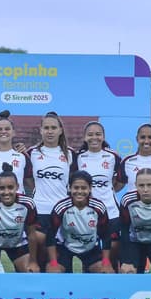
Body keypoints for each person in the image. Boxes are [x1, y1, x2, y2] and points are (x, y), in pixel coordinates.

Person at [26, 111, 77, 271]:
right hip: (39, 211)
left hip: (62, 212)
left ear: (60, 130)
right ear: (40, 130)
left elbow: (75, 183)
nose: (49, 131)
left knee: (60, 259)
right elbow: (28, 179)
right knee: (39, 258)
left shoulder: (70, 154)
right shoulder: (32, 153)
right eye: (46, 127)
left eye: (53, 127)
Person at [76, 121, 124, 266]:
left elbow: (120, 182)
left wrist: (107, 191)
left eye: (98, 134)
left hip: (111, 211)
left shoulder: (112, 156)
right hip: (88, 213)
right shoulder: (79, 157)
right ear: (85, 137)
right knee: (90, 252)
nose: (94, 138)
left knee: (114, 252)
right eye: (90, 134)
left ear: (103, 137)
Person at [47, 170, 113, 274]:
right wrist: (54, 263)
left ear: (90, 188)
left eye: (84, 188)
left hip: (91, 249)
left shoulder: (99, 207)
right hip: (65, 248)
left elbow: (105, 236)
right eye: (76, 188)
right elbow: (50, 236)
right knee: (53, 272)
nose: (79, 191)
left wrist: (105, 262)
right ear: (70, 188)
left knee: (107, 272)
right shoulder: (61, 207)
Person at [0, 110, 33, 195]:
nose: (3, 131)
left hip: (18, 206)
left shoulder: (23, 156)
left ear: (13, 132)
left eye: (7, 129)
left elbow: (31, 183)